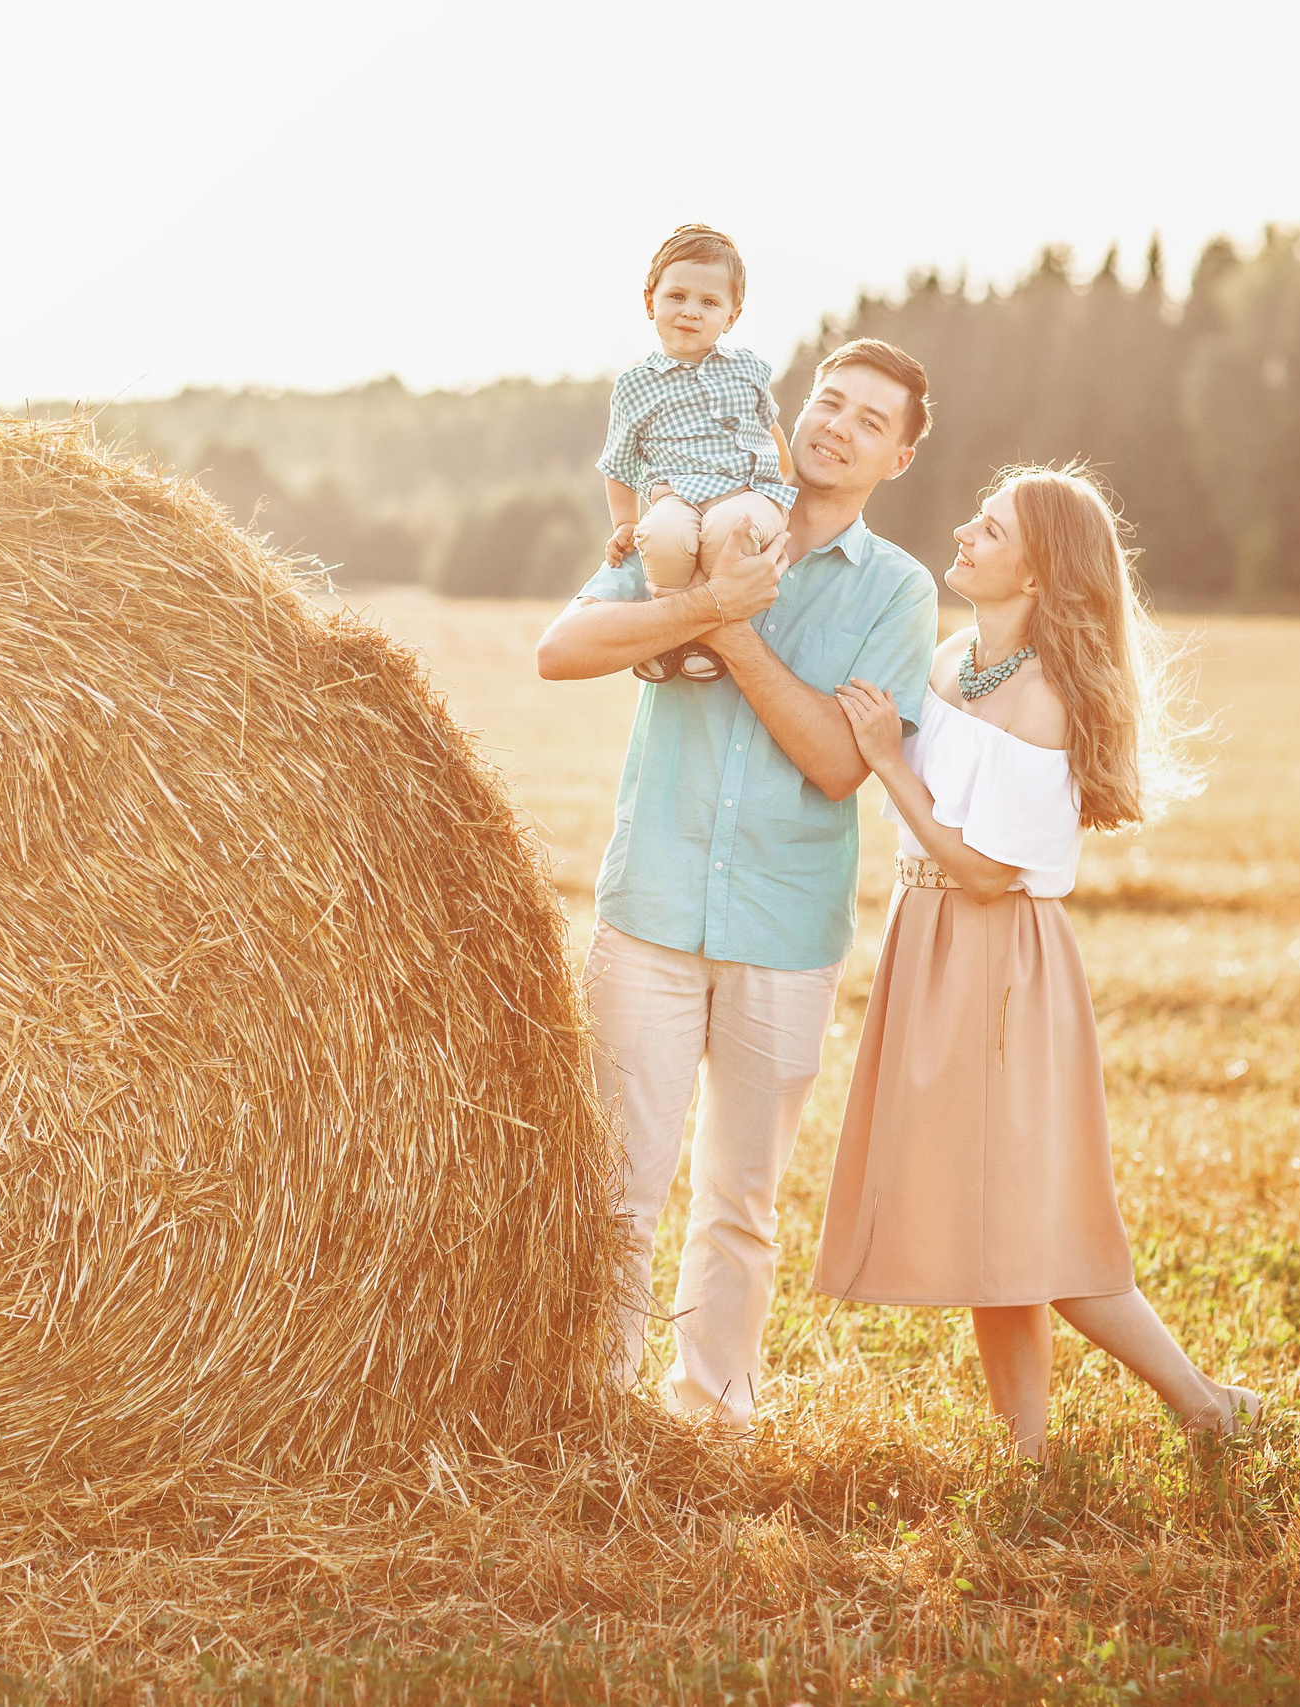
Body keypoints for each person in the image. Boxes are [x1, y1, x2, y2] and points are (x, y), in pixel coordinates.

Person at [812, 464, 1260, 1457]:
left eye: (992, 530)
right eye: (976, 519)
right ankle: (1028, 1462)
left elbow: (979, 873)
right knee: (991, 1235)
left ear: (1041, 578)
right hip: (926, 948)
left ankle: (1206, 1408)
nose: (965, 534)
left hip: (998, 964)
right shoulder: (951, 660)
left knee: (1030, 1224)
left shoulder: (1042, 704)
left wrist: (887, 757)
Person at [538, 338, 939, 1433]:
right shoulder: (682, 519)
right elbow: (562, 649)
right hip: (652, 908)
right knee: (619, 1185)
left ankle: (711, 1420)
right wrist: (692, 600)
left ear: (896, 459)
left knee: (739, 1203)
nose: (836, 425)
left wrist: (730, 625)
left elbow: (834, 761)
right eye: (828, 401)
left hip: (784, 925)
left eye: (869, 421)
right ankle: (593, 1408)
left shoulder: (899, 594)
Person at [597, 225, 796, 686]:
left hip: (747, 492)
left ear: (732, 316)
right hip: (676, 497)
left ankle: (712, 639)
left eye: (709, 303)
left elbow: (772, 432)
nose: (690, 311)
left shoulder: (747, 368)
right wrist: (625, 525)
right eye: (677, 296)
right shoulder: (634, 386)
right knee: (661, 534)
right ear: (650, 302)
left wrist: (785, 490)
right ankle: (671, 636)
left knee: (729, 530)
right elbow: (618, 465)